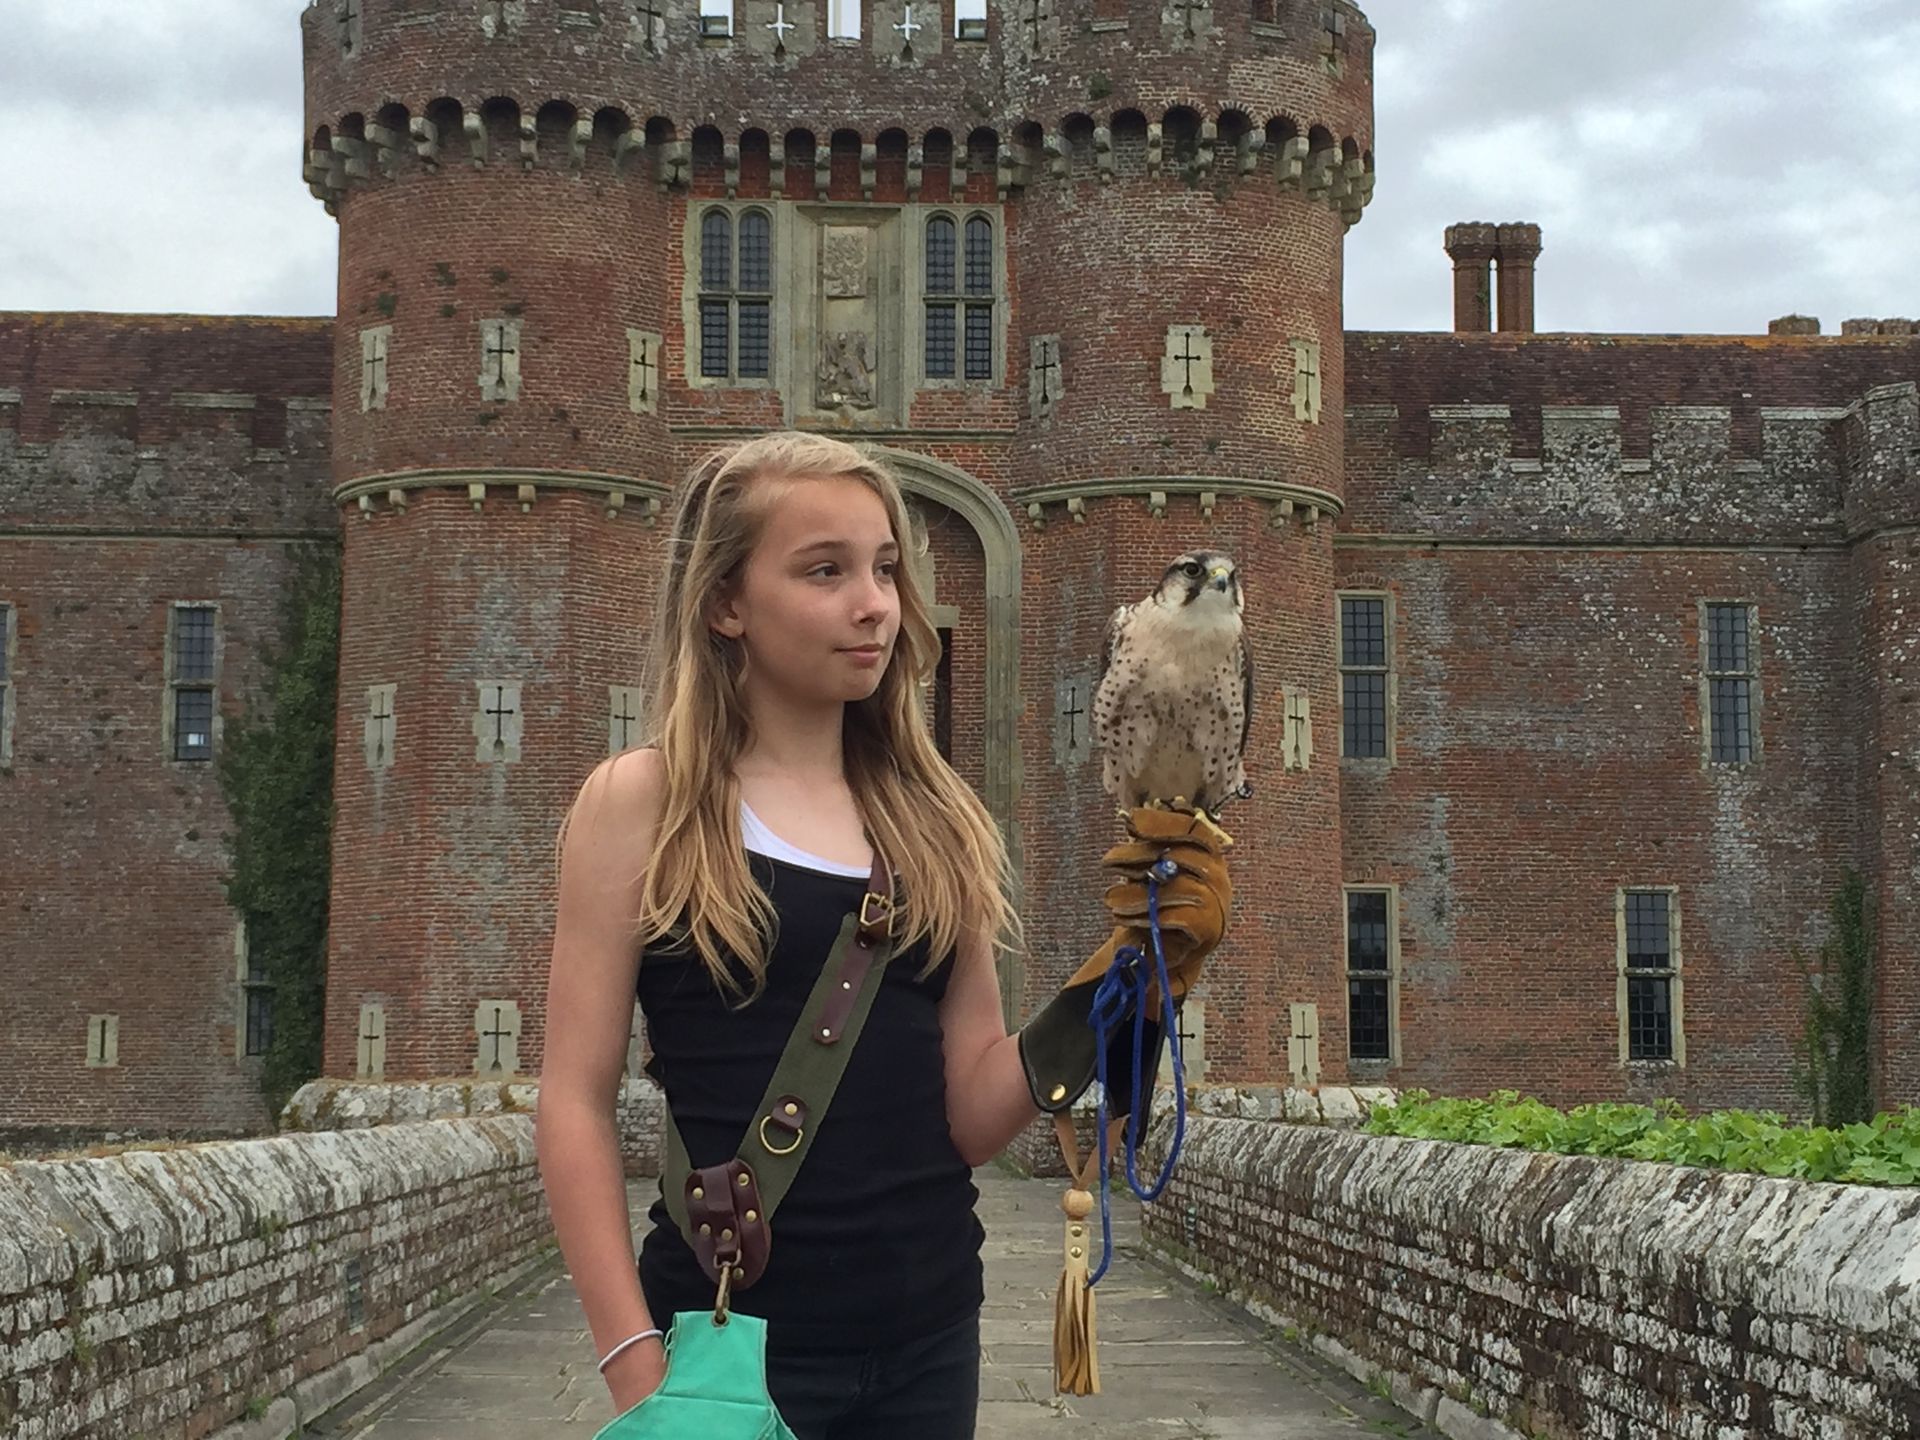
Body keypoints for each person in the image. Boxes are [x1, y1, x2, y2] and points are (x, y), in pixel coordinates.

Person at [535, 432, 1231, 1439]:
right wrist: (636, 1367)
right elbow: (573, 1099)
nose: (875, 604)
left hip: (929, 1339)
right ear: (725, 601)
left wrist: (1129, 978)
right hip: (727, 1344)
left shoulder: (936, 816)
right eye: (826, 570)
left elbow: (968, 1116)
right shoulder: (645, 805)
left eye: (887, 569)